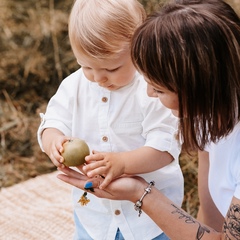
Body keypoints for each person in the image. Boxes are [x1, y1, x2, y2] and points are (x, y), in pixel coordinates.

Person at [57, 0, 240, 239]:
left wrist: (140, 192)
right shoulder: (210, 119)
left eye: (160, 89)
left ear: (197, 87)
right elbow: (213, 223)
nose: (149, 93)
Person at [37, 0, 184, 239]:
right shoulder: (74, 86)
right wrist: (53, 141)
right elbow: (52, 121)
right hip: (94, 218)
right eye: (86, 66)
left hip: (150, 221)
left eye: (112, 69)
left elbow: (165, 147)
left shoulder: (152, 90)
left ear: (139, 48)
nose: (98, 78)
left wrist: (123, 163)